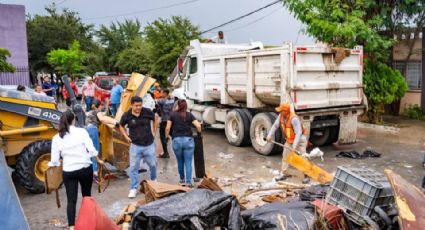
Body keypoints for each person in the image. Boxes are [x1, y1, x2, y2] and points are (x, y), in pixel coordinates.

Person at [48, 110, 104, 230]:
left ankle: (72, 227)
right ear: (73, 119)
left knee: (71, 201)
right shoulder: (81, 131)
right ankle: (88, 224)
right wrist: (98, 160)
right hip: (85, 169)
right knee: (87, 197)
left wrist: (52, 165)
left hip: (69, 171)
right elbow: (91, 149)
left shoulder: (56, 137)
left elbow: (54, 161)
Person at [119, 96, 158, 198]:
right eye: (136, 106)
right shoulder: (127, 115)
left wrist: (154, 131)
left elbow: (155, 119)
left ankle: (154, 181)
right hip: (135, 146)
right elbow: (121, 125)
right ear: (131, 105)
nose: (138, 107)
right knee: (133, 168)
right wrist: (126, 137)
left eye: (140, 105)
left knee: (153, 164)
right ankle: (133, 188)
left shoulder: (147, 112)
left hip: (149, 144)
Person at [266, 103, 310, 184]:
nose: (279, 112)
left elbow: (298, 133)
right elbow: (275, 126)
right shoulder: (281, 116)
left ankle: (307, 175)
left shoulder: (294, 119)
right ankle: (284, 174)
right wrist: (269, 136)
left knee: (302, 157)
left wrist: (294, 147)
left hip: (300, 140)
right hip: (290, 140)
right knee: (285, 156)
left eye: (281, 111)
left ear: (286, 112)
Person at [165, 100, 202, 187]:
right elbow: (199, 126)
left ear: (178, 105)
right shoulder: (189, 115)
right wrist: (199, 134)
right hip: (188, 141)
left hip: (177, 141)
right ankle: (188, 182)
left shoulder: (172, 114)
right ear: (186, 106)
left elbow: (167, 128)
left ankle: (182, 180)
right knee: (188, 162)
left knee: (180, 161)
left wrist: (167, 137)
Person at [157, 89, 175, 158]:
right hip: (172, 120)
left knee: (162, 136)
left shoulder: (162, 100)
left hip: (165, 120)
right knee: (173, 134)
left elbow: (158, 103)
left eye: (161, 92)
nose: (160, 94)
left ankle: (166, 153)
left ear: (165, 93)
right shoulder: (173, 100)